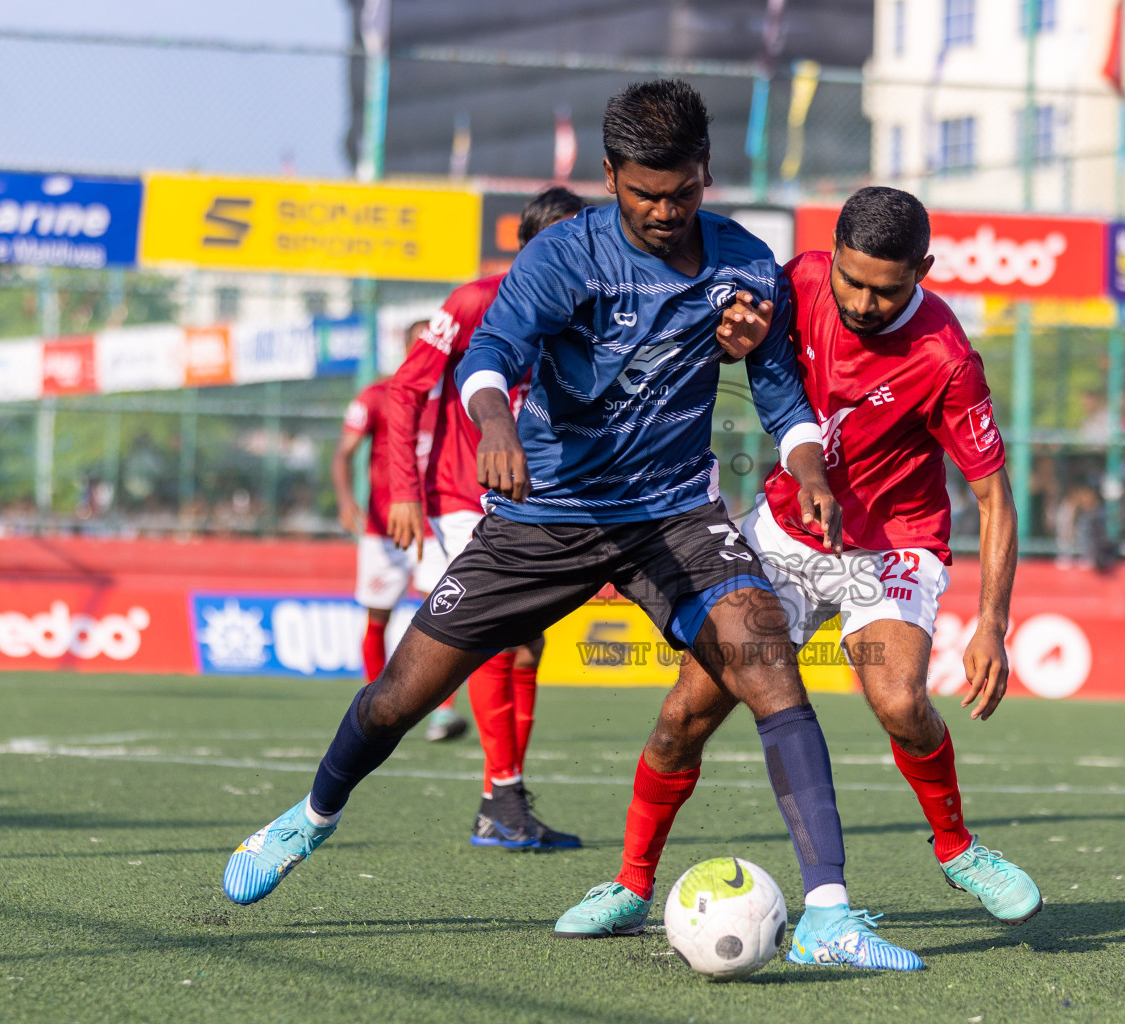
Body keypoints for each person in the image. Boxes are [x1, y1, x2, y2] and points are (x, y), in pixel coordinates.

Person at [221, 78, 924, 972]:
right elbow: (489, 357)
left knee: (768, 659)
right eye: (643, 194)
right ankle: (307, 819)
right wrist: (499, 425)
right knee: (401, 696)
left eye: (682, 191)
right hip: (547, 515)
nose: (665, 211)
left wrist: (810, 469)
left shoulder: (746, 266)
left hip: (673, 512)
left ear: (706, 172)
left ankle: (828, 914)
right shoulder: (562, 257)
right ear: (609, 176)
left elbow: (785, 397)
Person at [554, 187, 1041, 952]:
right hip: (783, 534)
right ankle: (631, 883)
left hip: (893, 549)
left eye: (888, 288)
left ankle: (957, 850)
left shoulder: (945, 357)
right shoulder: (799, 278)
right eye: (852, 279)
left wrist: (992, 625)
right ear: (834, 257)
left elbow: (994, 494)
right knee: (685, 714)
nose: (864, 302)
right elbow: (723, 344)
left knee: (900, 701)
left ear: (925, 269)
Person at [385, 187, 586, 846]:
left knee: (529, 643)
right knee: (502, 637)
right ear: (527, 247)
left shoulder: (584, 316)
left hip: (534, 502)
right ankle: (502, 799)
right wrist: (403, 490)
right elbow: (405, 391)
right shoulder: (474, 301)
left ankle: (501, 802)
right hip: (462, 498)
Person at [332, 325, 467, 739]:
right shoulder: (376, 395)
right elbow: (344, 453)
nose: (434, 352)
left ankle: (442, 713)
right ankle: (372, 710)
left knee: (443, 614)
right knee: (378, 616)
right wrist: (344, 499)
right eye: (425, 344)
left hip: (434, 524)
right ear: (409, 348)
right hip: (384, 527)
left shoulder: (455, 398)